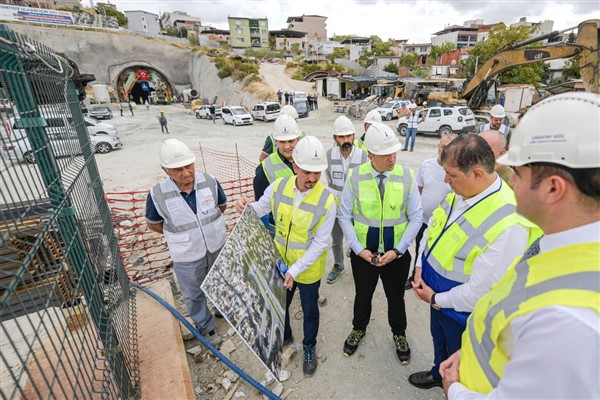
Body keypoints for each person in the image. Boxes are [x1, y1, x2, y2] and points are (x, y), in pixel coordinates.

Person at [440, 92, 600, 400]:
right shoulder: (559, 249)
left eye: (520, 174)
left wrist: (455, 390)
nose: (510, 183)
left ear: (554, 188)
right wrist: (471, 352)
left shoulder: (570, 320)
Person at [408, 134, 541, 390]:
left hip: (462, 314)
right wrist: (419, 267)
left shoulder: (508, 224)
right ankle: (438, 372)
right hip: (435, 296)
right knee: (439, 341)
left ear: (477, 174)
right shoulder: (462, 191)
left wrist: (435, 299)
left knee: (461, 363)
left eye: (452, 174)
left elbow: (479, 293)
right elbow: (434, 227)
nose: (446, 180)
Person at [236, 136, 335, 378]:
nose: (312, 179)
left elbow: (321, 243)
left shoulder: (327, 200)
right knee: (281, 305)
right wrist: (245, 205)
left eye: (317, 173)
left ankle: (309, 346)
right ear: (295, 167)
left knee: (310, 310)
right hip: (281, 263)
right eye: (307, 173)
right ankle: (286, 335)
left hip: (308, 269)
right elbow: (259, 209)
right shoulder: (278, 187)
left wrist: (296, 270)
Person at [338, 122, 423, 364]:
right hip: (364, 254)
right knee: (362, 295)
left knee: (395, 297)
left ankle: (399, 334)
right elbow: (344, 215)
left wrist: (399, 250)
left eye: (394, 152)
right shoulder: (355, 176)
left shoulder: (407, 176)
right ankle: (358, 328)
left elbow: (416, 217)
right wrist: (358, 249)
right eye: (386, 154)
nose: (392, 158)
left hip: (396, 255)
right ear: (370, 154)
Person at [145, 139, 227, 347]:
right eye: (177, 169)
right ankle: (206, 328)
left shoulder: (209, 181)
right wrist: (184, 235)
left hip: (216, 245)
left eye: (188, 166)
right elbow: (154, 224)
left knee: (220, 282)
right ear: (165, 170)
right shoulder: (157, 194)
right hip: (187, 255)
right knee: (194, 294)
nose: (185, 173)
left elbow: (222, 206)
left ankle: (222, 311)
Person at [404, 133, 457, 290]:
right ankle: (415, 276)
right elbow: (418, 189)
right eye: (443, 147)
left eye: (450, 148)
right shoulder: (426, 165)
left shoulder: (457, 171)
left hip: (446, 226)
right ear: (438, 147)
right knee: (420, 248)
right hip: (424, 221)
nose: (445, 150)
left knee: (439, 254)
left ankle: (432, 281)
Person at [324, 115, 367, 284]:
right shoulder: (328, 155)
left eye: (349, 136)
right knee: (336, 241)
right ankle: (338, 265)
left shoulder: (363, 157)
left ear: (354, 136)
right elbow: (329, 179)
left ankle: (361, 267)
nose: (346, 140)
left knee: (357, 239)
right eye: (341, 137)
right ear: (335, 139)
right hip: (336, 208)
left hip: (356, 209)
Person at [253, 114, 300, 235]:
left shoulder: (306, 159)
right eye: (282, 141)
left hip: (304, 224)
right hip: (279, 229)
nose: (287, 146)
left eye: (291, 141)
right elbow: (261, 207)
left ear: (298, 139)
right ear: (275, 141)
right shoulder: (264, 169)